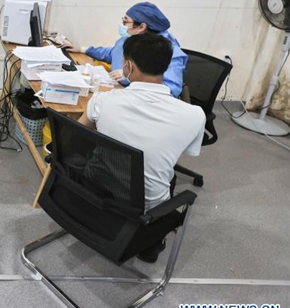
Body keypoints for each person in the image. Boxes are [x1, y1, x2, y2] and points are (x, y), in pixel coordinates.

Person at [78, 33, 205, 262]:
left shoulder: (102, 101)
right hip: (144, 208)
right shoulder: (194, 115)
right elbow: (187, 152)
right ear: (166, 67)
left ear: (128, 66)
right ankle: (150, 242)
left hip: (93, 189)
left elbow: (76, 135)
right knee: (168, 173)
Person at [65, 2, 187, 97]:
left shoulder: (169, 52)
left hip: (145, 103)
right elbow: (113, 53)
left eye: (126, 21)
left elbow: (171, 90)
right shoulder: (129, 38)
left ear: (141, 27)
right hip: (119, 90)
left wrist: (130, 77)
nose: (123, 25)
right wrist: (82, 49)